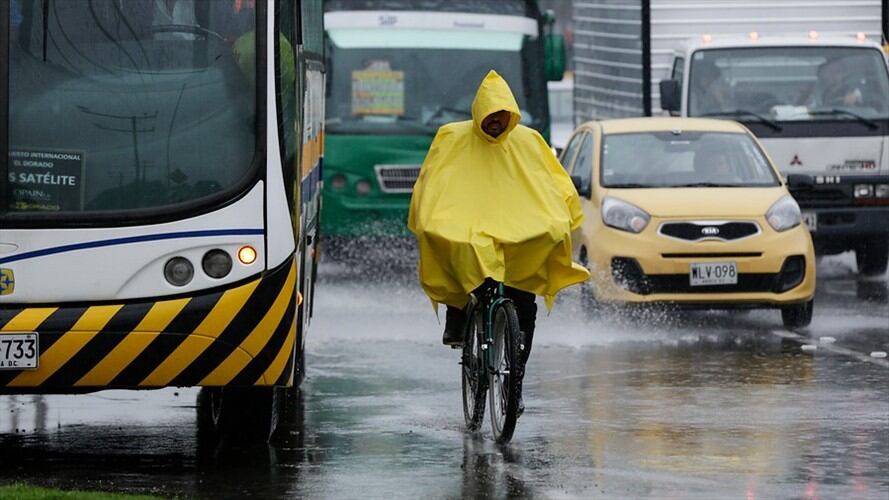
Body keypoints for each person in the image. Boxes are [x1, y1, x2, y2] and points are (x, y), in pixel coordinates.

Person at [408, 70, 589, 413]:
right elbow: (432, 184)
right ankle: (459, 311)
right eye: (491, 115)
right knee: (452, 246)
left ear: (512, 115)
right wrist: (433, 218)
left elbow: (554, 184)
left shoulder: (529, 141)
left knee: (525, 307)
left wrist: (560, 217)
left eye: (502, 115)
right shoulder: (452, 137)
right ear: (479, 113)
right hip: (467, 226)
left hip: (519, 232)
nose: (496, 121)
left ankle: (514, 381)